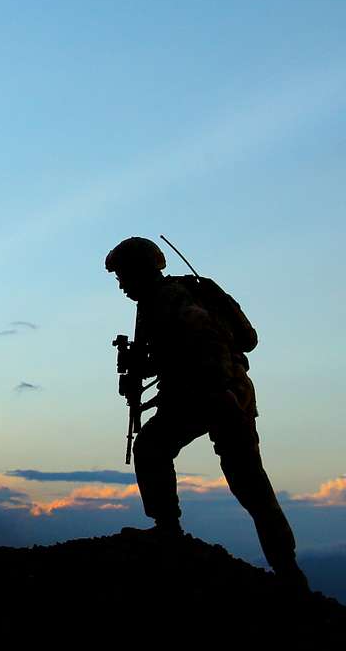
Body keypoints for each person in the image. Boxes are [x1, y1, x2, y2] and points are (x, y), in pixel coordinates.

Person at [105, 237, 308, 591]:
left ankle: (169, 530)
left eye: (123, 275)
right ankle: (287, 569)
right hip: (221, 392)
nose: (121, 284)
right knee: (249, 484)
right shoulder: (162, 299)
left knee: (154, 448)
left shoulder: (169, 298)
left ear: (139, 270)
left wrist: (217, 389)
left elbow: (204, 337)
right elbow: (181, 350)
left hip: (213, 393)